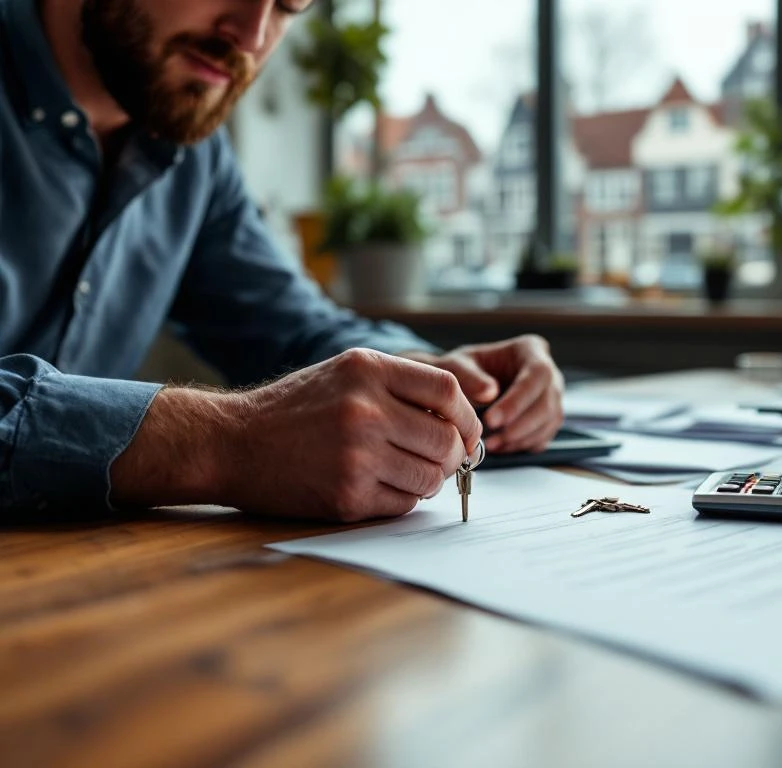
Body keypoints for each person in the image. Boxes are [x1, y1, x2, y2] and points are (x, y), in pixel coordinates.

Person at [0, 0, 565, 521]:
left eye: (289, 5)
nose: (250, 37)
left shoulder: (193, 157)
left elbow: (293, 326)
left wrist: (426, 374)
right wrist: (225, 442)